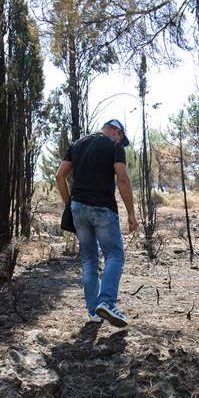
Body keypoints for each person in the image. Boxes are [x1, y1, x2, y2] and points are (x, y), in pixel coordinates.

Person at [55, 119, 138, 327]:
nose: (120, 142)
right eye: (121, 138)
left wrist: (69, 205)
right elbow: (122, 179)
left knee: (89, 261)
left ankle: (93, 312)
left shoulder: (77, 144)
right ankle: (107, 302)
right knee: (114, 255)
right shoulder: (114, 146)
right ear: (116, 132)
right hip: (102, 208)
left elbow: (59, 176)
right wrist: (131, 213)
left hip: (78, 208)